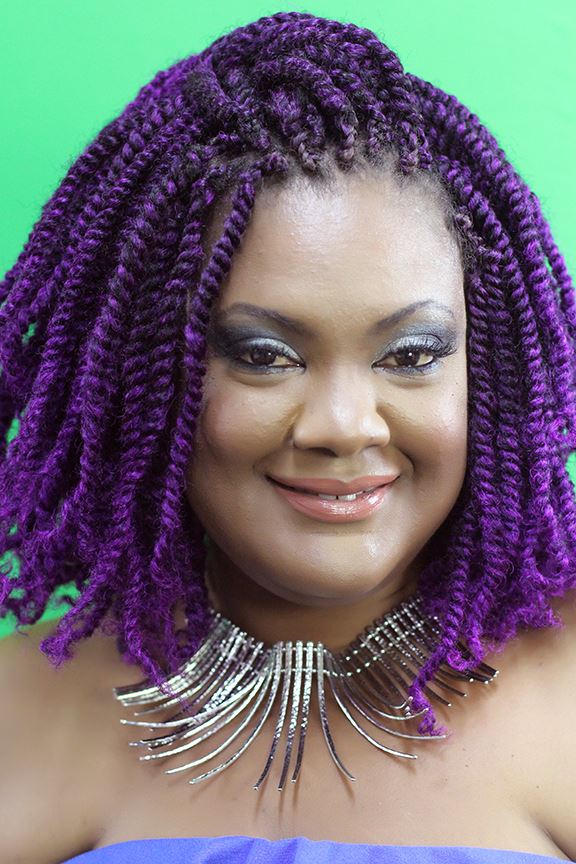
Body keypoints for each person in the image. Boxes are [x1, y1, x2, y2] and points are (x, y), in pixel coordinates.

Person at [0, 10, 575, 864]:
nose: (343, 426)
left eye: (412, 354)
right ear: (143, 374)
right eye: (265, 356)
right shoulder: (20, 718)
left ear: (488, 372)